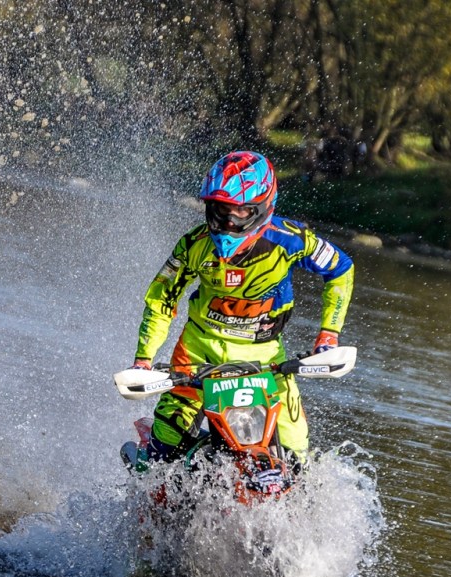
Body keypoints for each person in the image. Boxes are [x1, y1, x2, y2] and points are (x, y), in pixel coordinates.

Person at [131, 151, 354, 465]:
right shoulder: (193, 245)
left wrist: (328, 336)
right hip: (197, 357)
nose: (228, 220)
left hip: (266, 362)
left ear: (262, 208)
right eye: (221, 209)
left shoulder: (291, 240)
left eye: (239, 211)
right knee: (162, 450)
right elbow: (161, 298)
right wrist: (144, 360)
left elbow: (341, 269)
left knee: (297, 456)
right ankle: (143, 492)